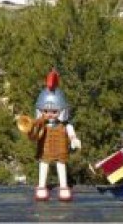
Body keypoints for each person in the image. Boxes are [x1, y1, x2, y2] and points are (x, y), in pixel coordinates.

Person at [27, 69, 81, 201]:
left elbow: (70, 132)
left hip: (60, 148)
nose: (50, 113)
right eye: (46, 111)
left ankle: (63, 186)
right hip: (44, 149)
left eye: (54, 111)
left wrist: (74, 139)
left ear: (62, 111)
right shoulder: (41, 124)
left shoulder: (64, 125)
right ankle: (41, 186)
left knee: (61, 165)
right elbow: (34, 134)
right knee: (44, 164)